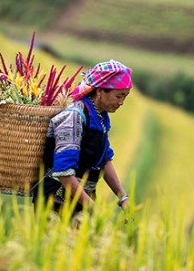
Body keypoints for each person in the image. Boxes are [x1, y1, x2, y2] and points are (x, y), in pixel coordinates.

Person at [33, 59, 132, 217]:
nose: (122, 102)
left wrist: (123, 197)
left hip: (80, 198)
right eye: (119, 96)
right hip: (56, 200)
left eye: (125, 97)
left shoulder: (101, 118)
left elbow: (104, 159)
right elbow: (64, 172)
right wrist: (92, 208)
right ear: (100, 92)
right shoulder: (74, 116)